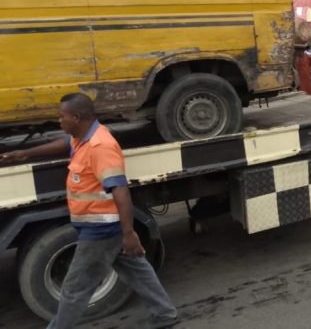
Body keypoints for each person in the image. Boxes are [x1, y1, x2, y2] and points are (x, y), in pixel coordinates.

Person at [0, 93, 178, 329]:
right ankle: (165, 314)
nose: (59, 121)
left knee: (75, 288)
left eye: (62, 117)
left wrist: (128, 233)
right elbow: (65, 143)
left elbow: (120, 190)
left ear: (77, 117)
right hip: (101, 226)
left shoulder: (100, 146)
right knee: (138, 271)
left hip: (101, 230)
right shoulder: (83, 136)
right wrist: (27, 153)